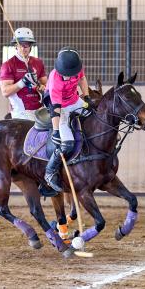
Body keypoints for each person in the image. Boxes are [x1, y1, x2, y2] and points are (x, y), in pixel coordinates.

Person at [44, 47, 95, 194]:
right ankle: (50, 172)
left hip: (74, 100)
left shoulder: (77, 68)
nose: (68, 76)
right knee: (66, 144)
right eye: (65, 74)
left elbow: (82, 79)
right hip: (60, 108)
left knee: (94, 115)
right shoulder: (55, 81)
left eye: (70, 74)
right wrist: (56, 131)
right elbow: (56, 108)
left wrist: (86, 97)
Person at [0, 27, 47, 120]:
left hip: (40, 107)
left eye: (26, 45)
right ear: (15, 46)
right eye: (20, 45)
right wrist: (23, 82)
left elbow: (45, 84)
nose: (23, 48)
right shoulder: (8, 65)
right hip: (21, 110)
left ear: (30, 46)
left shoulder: (38, 62)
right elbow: (5, 92)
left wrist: (43, 87)